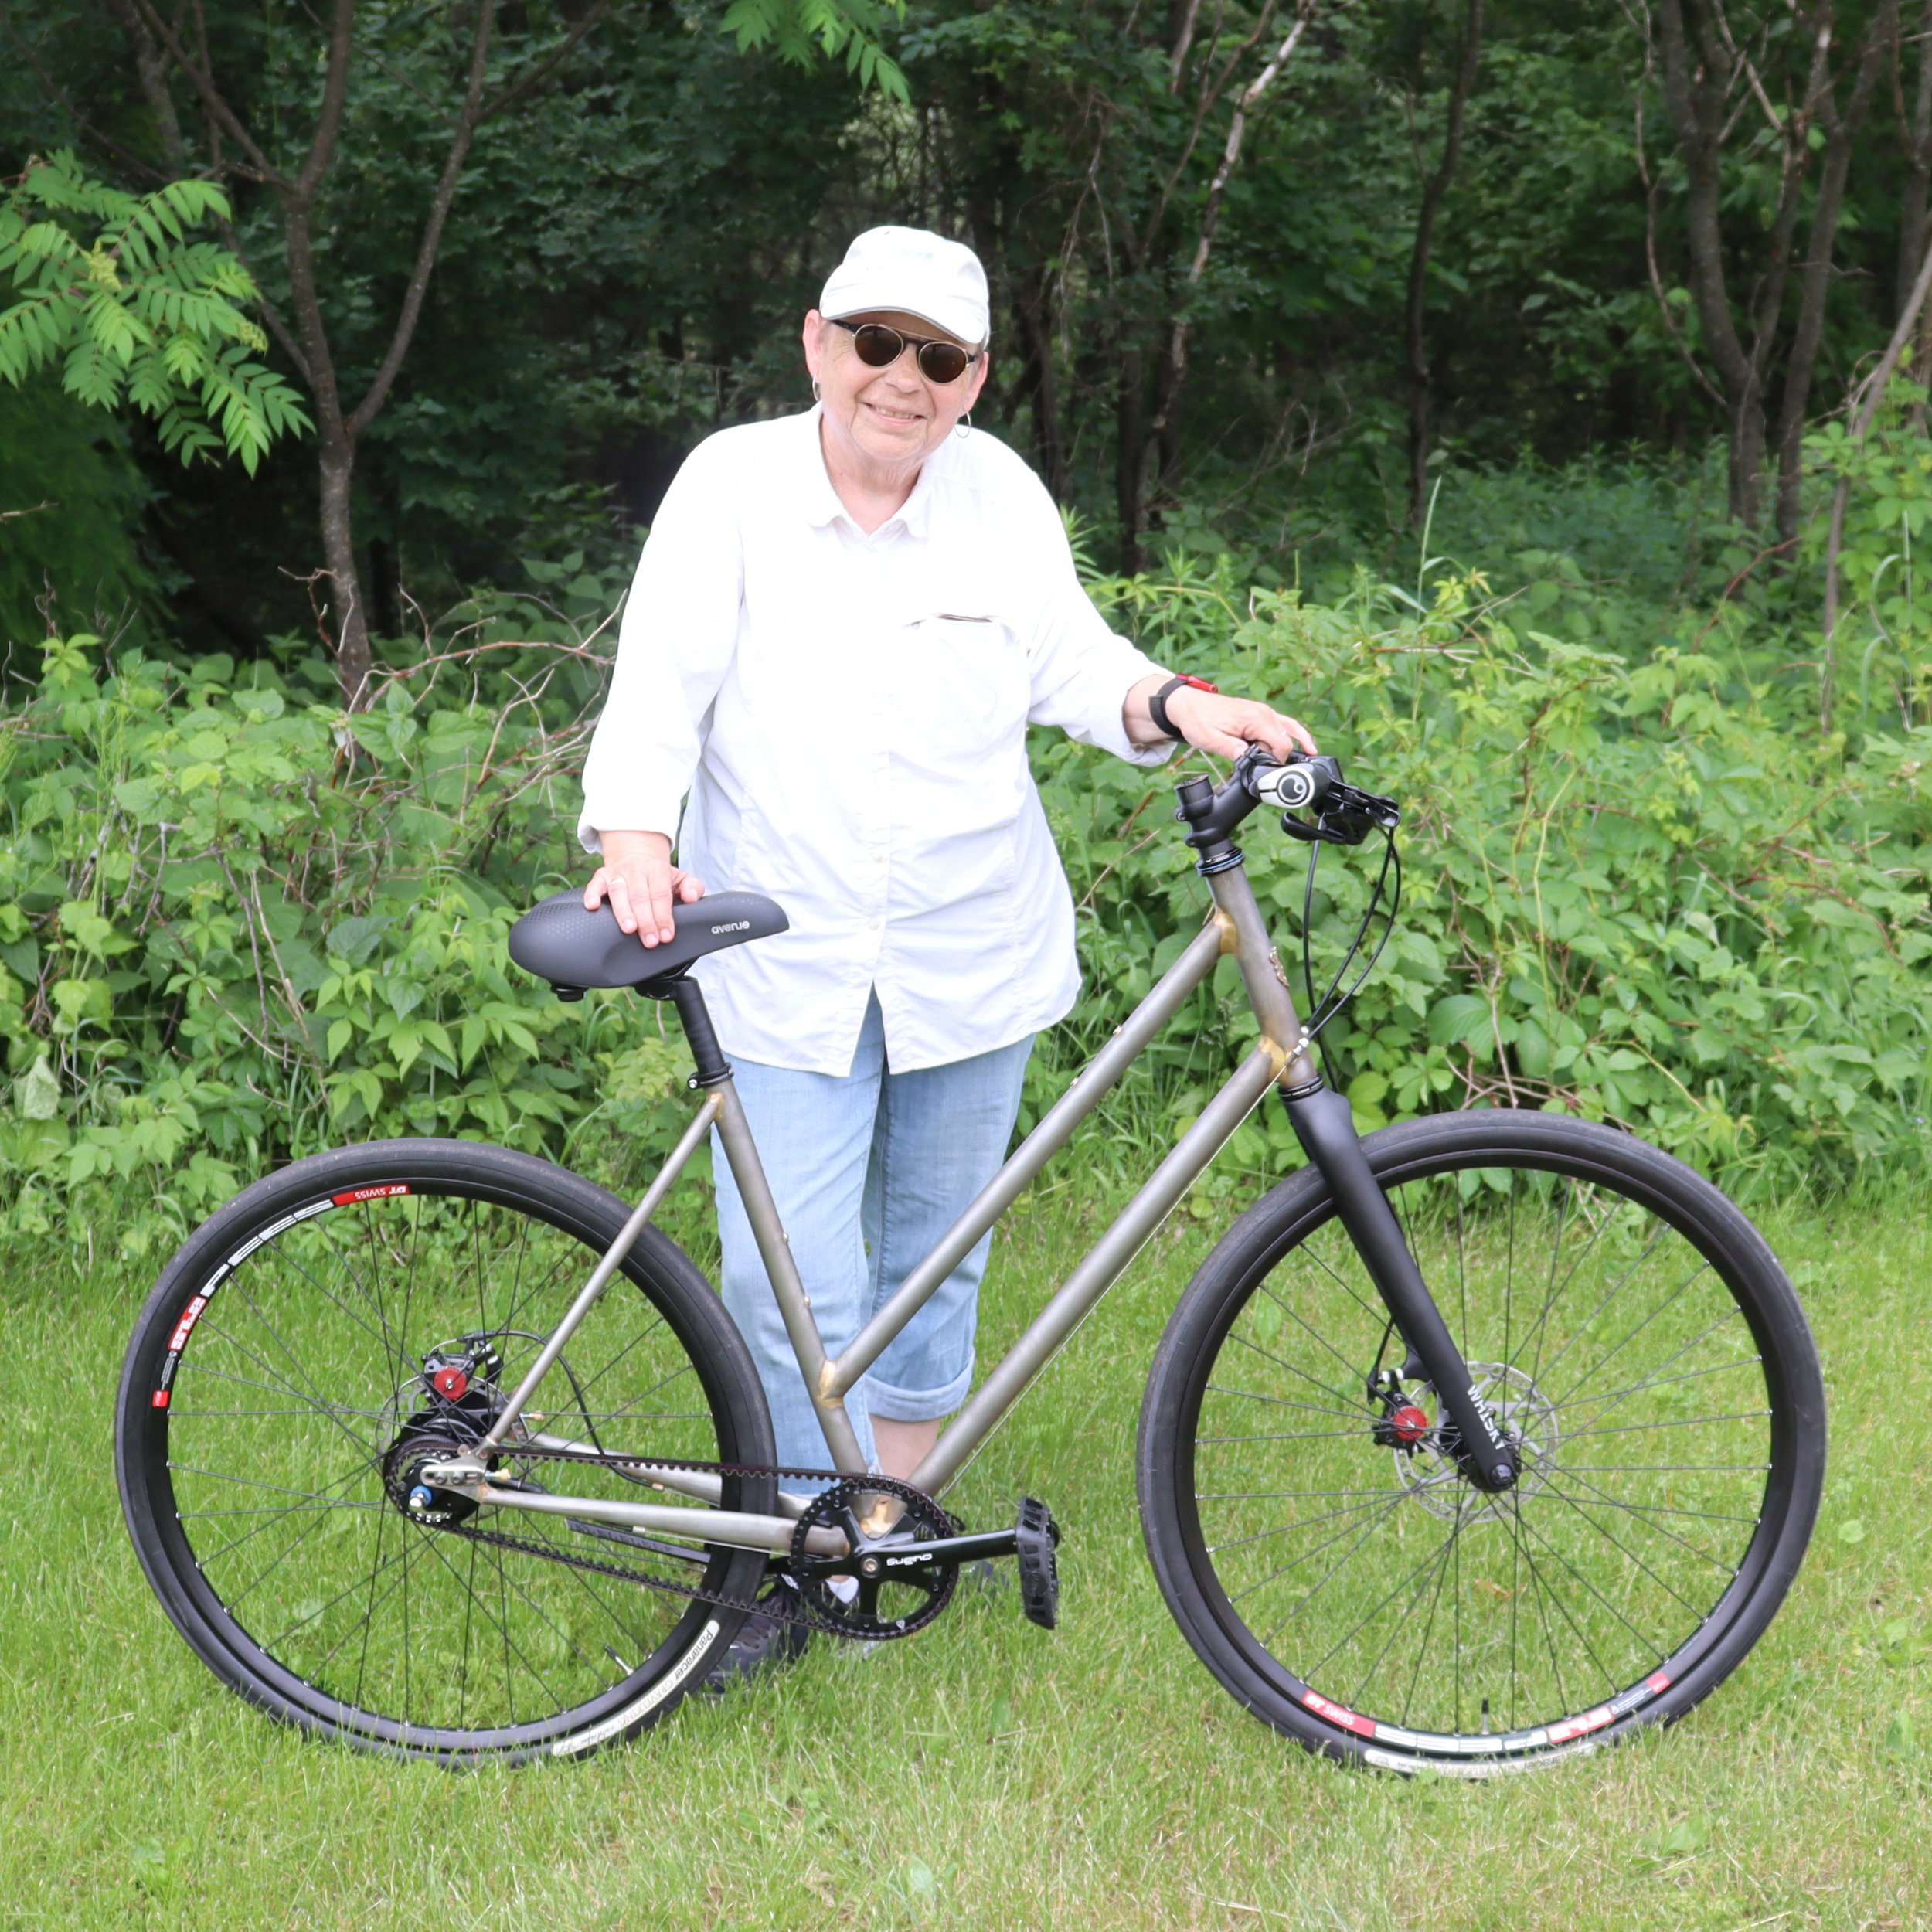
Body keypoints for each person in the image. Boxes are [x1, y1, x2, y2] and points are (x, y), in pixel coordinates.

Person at [577, 225, 1313, 1682]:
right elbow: (658, 683)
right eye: (877, 345)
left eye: (940, 358)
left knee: (938, 1260)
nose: (901, 381)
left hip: (971, 954)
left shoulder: (1000, 499)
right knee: (786, 1282)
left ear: (974, 380)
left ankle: (886, 1527)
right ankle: (789, 1555)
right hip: (783, 956)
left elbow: (1074, 662)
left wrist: (1181, 703)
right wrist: (634, 839)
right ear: (817, 344)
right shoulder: (731, 486)